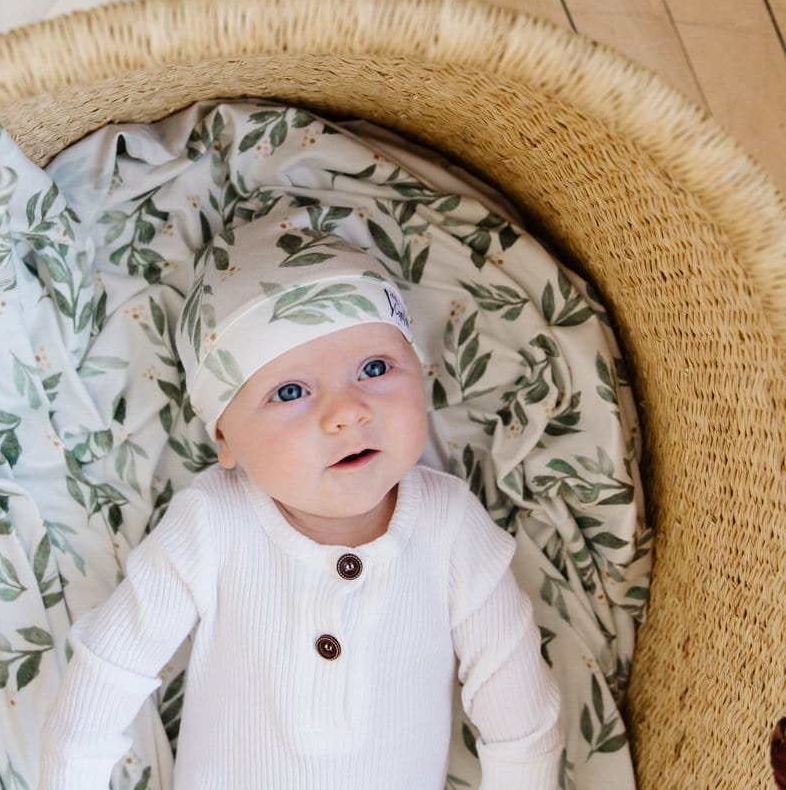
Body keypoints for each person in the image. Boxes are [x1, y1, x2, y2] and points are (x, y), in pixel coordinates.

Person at [40, 216, 564, 790]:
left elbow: (524, 725)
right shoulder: (213, 525)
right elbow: (109, 670)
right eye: (290, 392)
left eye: (374, 368)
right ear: (225, 439)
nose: (347, 411)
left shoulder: (451, 527)